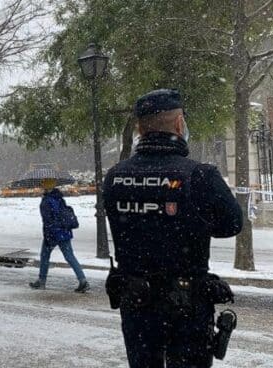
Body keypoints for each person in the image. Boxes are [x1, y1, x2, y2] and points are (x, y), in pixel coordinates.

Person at [102, 89, 243, 368]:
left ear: (140, 129)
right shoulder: (201, 176)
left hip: (137, 307)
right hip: (186, 309)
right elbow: (232, 224)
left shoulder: (115, 176)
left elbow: (127, 225)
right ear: (179, 125)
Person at [29, 178, 89, 293]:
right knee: (70, 256)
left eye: (42, 184)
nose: (41, 186)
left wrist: (49, 236)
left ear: (46, 187)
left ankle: (41, 281)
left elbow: (48, 221)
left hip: (53, 234)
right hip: (64, 232)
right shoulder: (59, 197)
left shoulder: (47, 201)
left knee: (45, 256)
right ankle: (83, 280)